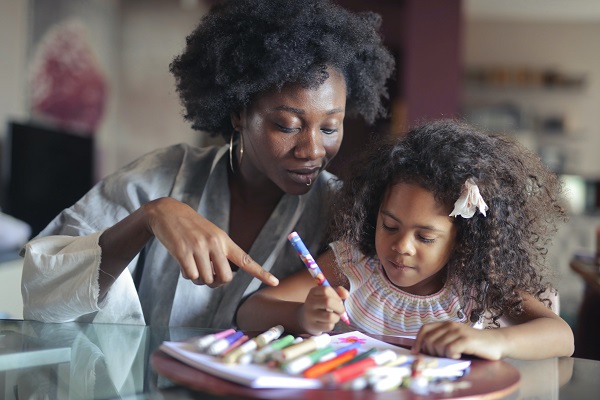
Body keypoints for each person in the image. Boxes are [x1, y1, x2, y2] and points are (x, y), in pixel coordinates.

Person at [20, 0, 395, 327]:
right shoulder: (163, 177)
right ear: (238, 113)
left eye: (331, 127)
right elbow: (43, 292)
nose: (313, 149)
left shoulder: (344, 211)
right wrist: (150, 218)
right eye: (287, 125)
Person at [236, 119, 575, 360]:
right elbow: (250, 312)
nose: (401, 246)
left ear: (462, 239)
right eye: (390, 226)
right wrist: (303, 318)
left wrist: (496, 341)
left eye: (425, 237)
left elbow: (562, 337)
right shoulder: (355, 264)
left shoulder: (478, 282)